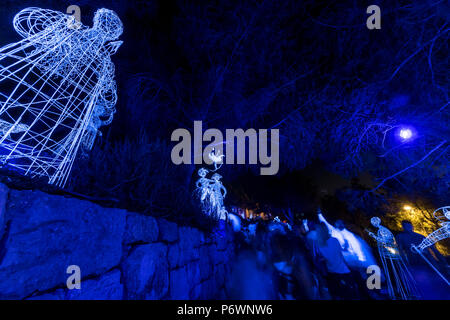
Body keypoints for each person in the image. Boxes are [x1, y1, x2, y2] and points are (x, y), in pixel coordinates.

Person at [313, 222, 358, 299]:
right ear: (326, 230)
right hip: (343, 270)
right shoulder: (334, 240)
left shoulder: (317, 244)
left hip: (331, 272)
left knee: (340, 295)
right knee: (351, 294)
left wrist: (325, 259)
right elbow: (340, 254)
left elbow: (319, 259)